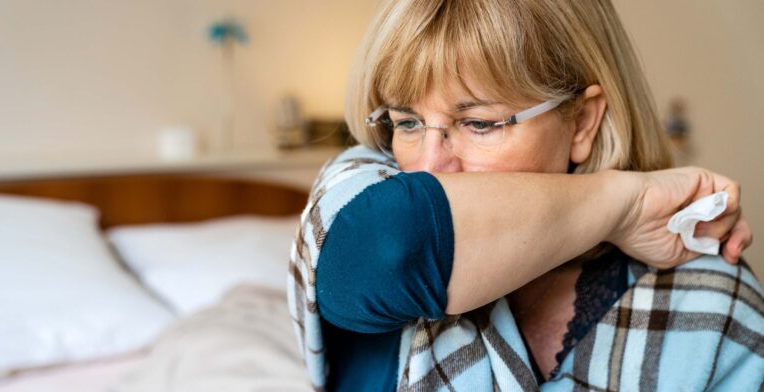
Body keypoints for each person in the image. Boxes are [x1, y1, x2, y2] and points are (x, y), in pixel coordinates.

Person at [287, 0, 762, 390]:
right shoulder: (363, 184)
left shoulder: (707, 304)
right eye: (408, 122)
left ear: (582, 122)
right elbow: (389, 251)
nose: (428, 167)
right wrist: (626, 203)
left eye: (478, 123)